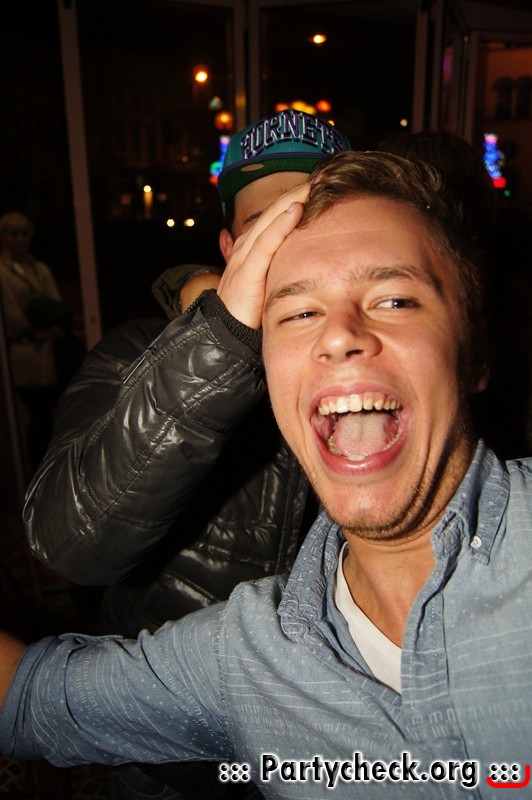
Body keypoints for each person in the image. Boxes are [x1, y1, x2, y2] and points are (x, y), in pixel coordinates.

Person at [1, 151, 531, 798]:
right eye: (299, 310)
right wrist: (219, 338)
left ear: (476, 352)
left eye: (395, 299)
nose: (338, 335)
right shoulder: (247, 654)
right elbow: (39, 687)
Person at [21, 111, 351, 799]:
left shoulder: (367, 356)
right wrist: (223, 342)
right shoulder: (138, 353)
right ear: (231, 246)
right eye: (269, 225)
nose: (291, 244)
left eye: (315, 220)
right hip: (171, 750)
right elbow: (69, 542)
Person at [0, 212, 83, 473]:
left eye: (24, 233)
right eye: (13, 234)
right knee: (38, 415)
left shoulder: (39, 268)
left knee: (60, 412)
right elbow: (11, 313)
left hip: (50, 350)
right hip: (25, 354)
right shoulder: (3, 271)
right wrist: (32, 327)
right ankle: (37, 469)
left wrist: (53, 323)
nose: (19, 239)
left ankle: (57, 466)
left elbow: (57, 305)